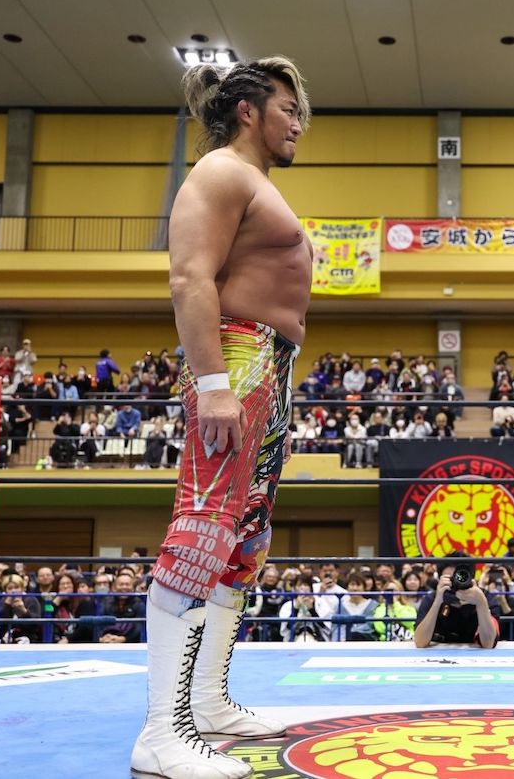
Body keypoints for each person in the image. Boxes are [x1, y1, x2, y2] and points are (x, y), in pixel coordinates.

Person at [131, 56, 311, 779]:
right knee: (204, 529)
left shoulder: (253, 182)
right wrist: (212, 383)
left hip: (268, 366)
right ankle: (161, 731)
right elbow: (189, 277)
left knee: (243, 541)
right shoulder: (220, 173)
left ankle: (206, 702)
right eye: (288, 109)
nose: (298, 123)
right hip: (233, 359)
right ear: (248, 110)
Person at [413, 553, 499, 648]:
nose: (456, 583)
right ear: (440, 579)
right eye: (451, 580)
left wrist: (481, 603)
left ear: (472, 579)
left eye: (461, 578)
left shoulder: (485, 598)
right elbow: (420, 642)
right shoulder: (432, 599)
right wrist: (437, 602)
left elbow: (488, 644)